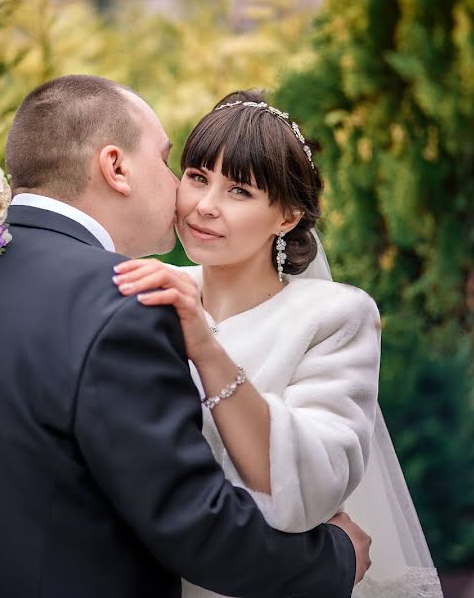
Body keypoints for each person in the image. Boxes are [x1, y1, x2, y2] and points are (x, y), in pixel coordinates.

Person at [0, 75, 370, 597]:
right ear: (116, 167)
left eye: (237, 189)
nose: (184, 194)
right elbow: (192, 521)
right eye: (174, 164)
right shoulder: (123, 302)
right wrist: (334, 558)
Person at [114, 90, 444, 598]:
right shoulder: (151, 290)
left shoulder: (334, 316)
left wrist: (205, 346)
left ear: (287, 216)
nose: (205, 206)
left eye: (239, 191)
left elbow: (310, 490)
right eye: (198, 178)